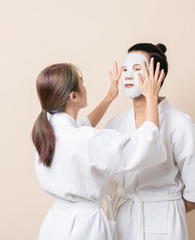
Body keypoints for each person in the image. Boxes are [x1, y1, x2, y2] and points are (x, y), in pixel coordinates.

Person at [32, 61, 166, 240]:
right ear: (74, 96)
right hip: (85, 229)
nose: (84, 86)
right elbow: (147, 145)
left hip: (55, 226)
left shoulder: (48, 132)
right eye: (82, 82)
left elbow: (84, 124)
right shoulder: (86, 140)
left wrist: (110, 96)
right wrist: (151, 97)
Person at [105, 43, 195, 240]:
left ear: (159, 76)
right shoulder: (114, 124)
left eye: (137, 69)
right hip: (121, 221)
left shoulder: (182, 125)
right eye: (125, 69)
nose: (128, 75)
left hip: (164, 224)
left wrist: (164, 208)